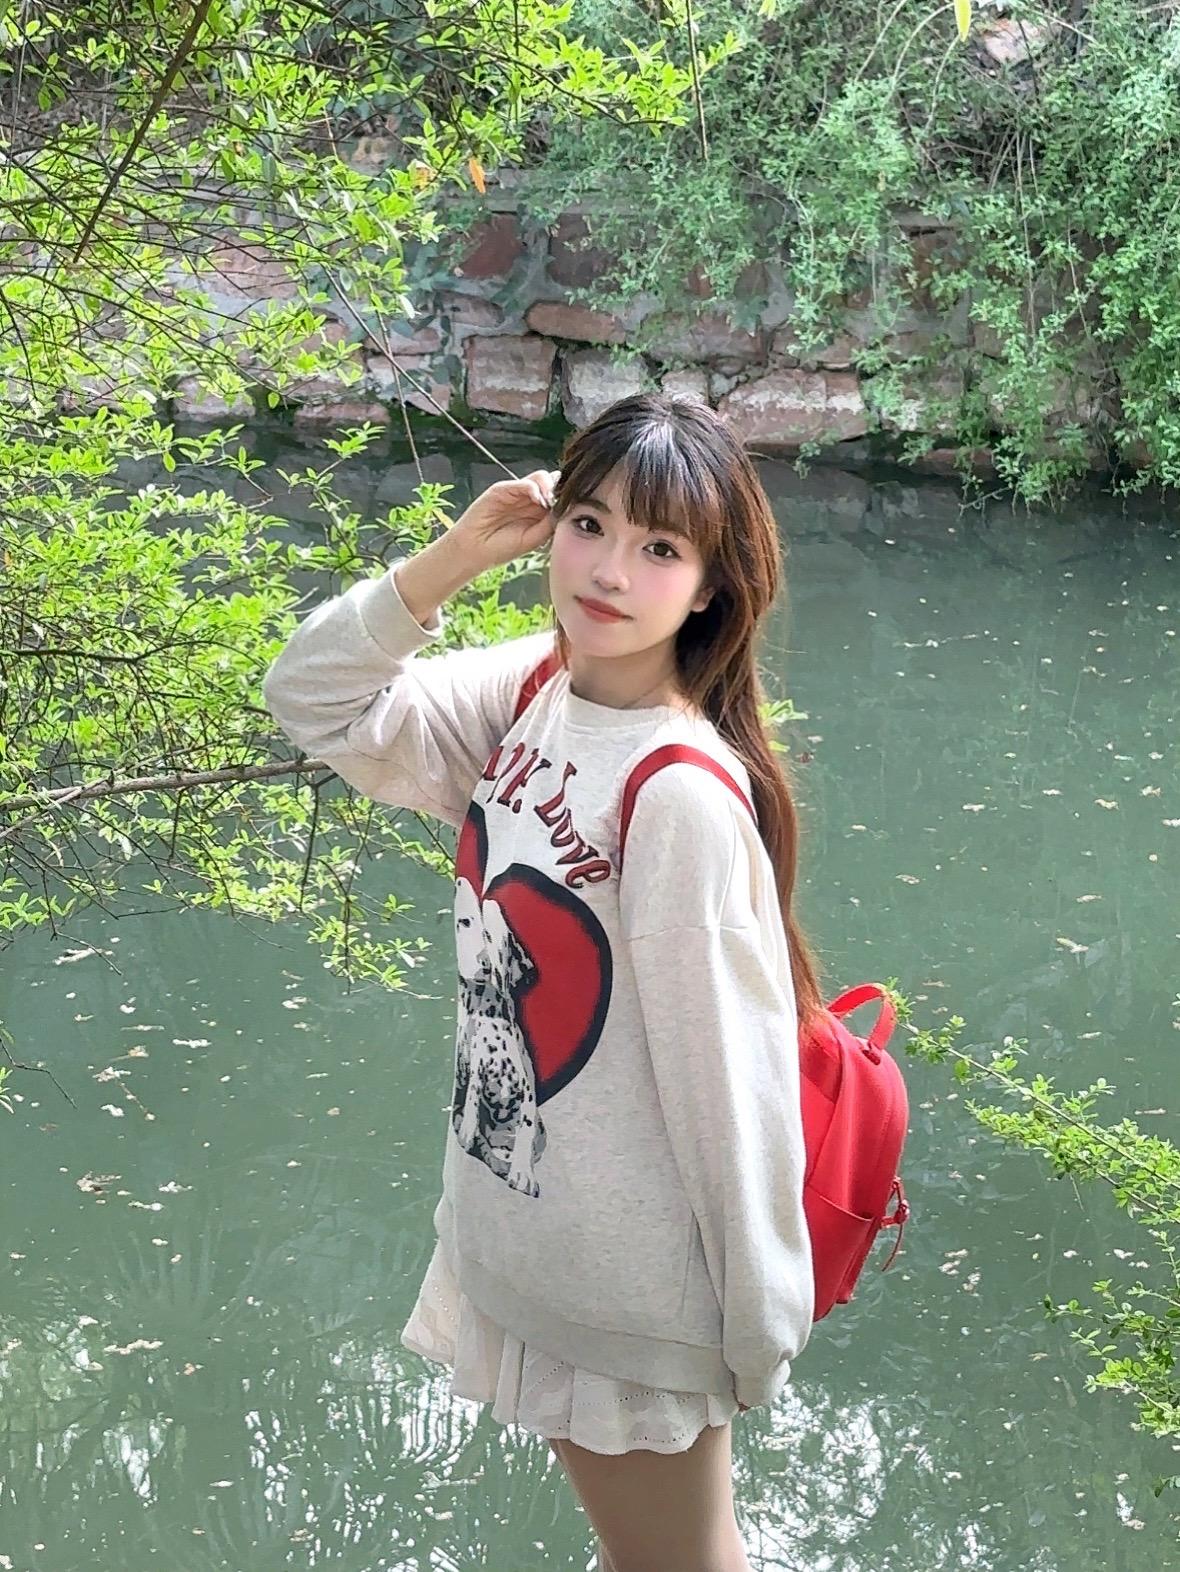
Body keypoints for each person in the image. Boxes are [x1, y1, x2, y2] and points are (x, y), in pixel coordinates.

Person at [261, 392, 825, 1572]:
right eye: (589, 524)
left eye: (659, 549)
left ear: (710, 588)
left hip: (632, 1296)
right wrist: (450, 559)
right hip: (526, 1242)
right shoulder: (533, 693)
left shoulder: (677, 794)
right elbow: (309, 697)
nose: (610, 571)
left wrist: (759, 1329)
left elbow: (732, 1090)